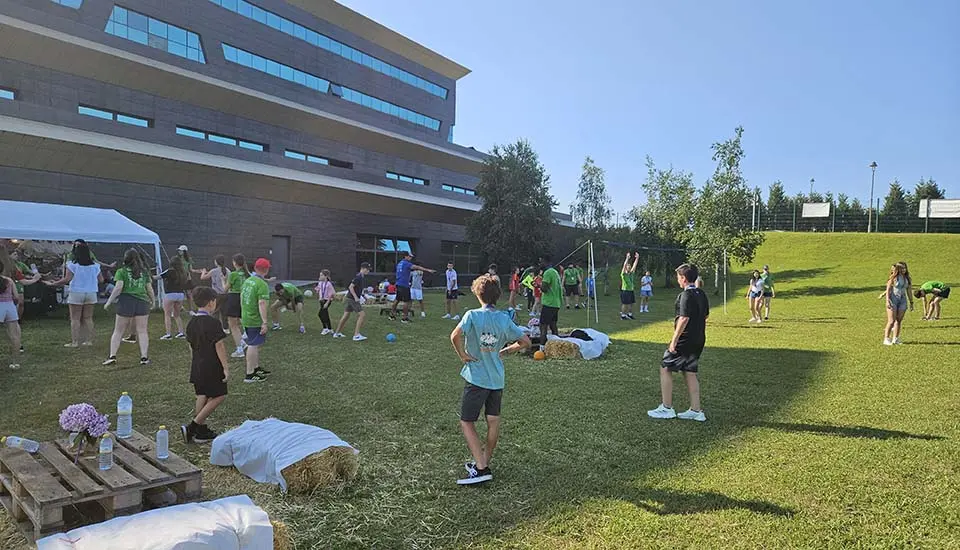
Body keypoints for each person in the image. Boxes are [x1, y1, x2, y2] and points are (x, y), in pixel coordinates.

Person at [450, 274, 531, 485]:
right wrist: (506, 350)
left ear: (478, 294)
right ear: (498, 296)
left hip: (477, 378)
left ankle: (481, 468)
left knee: (467, 421)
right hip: (497, 379)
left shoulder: (472, 315)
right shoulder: (504, 318)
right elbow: (525, 341)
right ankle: (484, 462)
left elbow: (454, 336)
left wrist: (462, 355)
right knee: (493, 420)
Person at [648, 264, 710, 422]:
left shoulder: (685, 296)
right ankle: (696, 410)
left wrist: (674, 341)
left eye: (678, 277)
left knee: (665, 367)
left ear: (683, 278)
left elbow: (684, 318)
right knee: (690, 371)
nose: (677, 280)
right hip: (699, 338)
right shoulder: (701, 294)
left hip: (685, 339)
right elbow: (705, 317)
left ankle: (666, 407)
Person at [182, 287, 229, 443]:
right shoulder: (213, 323)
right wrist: (225, 367)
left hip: (197, 365)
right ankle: (193, 427)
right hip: (212, 365)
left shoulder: (191, 323)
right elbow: (219, 345)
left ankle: (201, 430)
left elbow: (190, 346)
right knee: (219, 395)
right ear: (211, 302)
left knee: (202, 394)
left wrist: (194, 361)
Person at [43, 242, 103, 347]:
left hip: (76, 292)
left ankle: (75, 342)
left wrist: (53, 283)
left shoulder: (72, 265)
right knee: (88, 318)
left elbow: (67, 279)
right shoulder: (96, 266)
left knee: (75, 318)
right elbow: (101, 280)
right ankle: (88, 341)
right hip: (91, 292)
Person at [103, 249, 155, 366]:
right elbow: (149, 288)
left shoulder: (121, 271)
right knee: (142, 331)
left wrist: (109, 301)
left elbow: (118, 287)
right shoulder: (144, 272)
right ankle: (144, 358)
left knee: (118, 331)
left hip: (126, 301)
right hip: (142, 302)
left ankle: (112, 356)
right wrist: (153, 301)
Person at [240, 258, 272, 383]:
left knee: (255, 343)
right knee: (253, 344)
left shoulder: (248, 281)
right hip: (254, 319)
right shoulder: (262, 284)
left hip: (247, 316)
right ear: (265, 269)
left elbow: (242, 298)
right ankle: (249, 374)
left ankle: (256, 368)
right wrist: (264, 322)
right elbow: (262, 303)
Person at [390, 252, 435, 323]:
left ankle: (392, 315)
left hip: (398, 283)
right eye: (410, 257)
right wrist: (428, 270)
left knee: (397, 299)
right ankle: (404, 318)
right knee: (406, 301)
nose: (410, 258)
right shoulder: (406, 263)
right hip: (404, 285)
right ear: (406, 256)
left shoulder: (399, 264)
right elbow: (417, 267)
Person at [155, 257, 191, 340]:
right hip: (180, 295)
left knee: (167, 315)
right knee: (177, 315)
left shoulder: (169, 271)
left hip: (170, 295)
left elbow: (157, 277)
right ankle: (181, 333)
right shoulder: (184, 272)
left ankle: (168, 334)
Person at [334, 262, 370, 341]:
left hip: (350, 298)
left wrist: (363, 296)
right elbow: (350, 287)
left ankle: (337, 333)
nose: (368, 271)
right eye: (367, 269)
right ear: (363, 269)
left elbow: (357, 289)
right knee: (362, 315)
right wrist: (356, 297)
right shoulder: (358, 277)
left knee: (346, 315)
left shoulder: (361, 277)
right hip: (352, 299)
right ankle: (356, 335)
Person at [880, 262, 913, 345]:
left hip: (903, 300)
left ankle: (896, 338)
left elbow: (909, 290)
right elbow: (888, 290)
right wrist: (887, 300)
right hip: (893, 300)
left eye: (905, 268)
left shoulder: (907, 278)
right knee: (891, 321)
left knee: (898, 320)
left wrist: (911, 302)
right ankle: (886, 339)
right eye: (901, 268)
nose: (903, 270)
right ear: (898, 269)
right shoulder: (893, 278)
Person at [223, 254, 249, 358]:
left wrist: (222, 280)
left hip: (234, 298)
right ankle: (242, 342)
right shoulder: (248, 275)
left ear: (234, 262)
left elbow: (225, 289)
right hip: (244, 298)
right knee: (237, 322)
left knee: (233, 325)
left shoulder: (233, 274)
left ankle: (239, 350)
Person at [200, 255, 231, 329]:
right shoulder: (228, 270)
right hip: (226, 294)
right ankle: (226, 328)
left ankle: (215, 327)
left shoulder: (214, 271)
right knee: (224, 312)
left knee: (215, 311)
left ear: (216, 262)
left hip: (216, 294)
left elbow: (203, 277)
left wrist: (203, 272)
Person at [539, 256, 562, 348]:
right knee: (553, 325)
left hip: (549, 303)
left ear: (546, 262)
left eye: (541, 262)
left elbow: (544, 288)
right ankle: (557, 346)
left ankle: (542, 348)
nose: (540, 264)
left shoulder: (548, 273)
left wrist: (538, 284)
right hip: (556, 303)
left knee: (543, 325)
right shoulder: (555, 272)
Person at [0, 273, 22, 370]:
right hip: (9, 306)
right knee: (14, 336)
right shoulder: (9, 280)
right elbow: (16, 296)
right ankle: (15, 362)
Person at [176, 245, 201, 312]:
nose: (179, 251)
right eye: (179, 250)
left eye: (181, 250)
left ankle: (191, 309)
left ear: (184, 252)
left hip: (187, 278)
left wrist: (198, 271)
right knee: (179, 294)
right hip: (180, 278)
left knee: (189, 294)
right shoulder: (177, 259)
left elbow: (191, 269)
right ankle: (179, 308)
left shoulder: (188, 259)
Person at [315, 270, 336, 334]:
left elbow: (332, 293)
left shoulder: (329, 284)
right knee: (325, 314)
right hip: (321, 300)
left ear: (326, 276)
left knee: (320, 314)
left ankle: (325, 328)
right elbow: (318, 289)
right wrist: (317, 289)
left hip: (326, 300)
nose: (320, 276)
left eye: (321, 275)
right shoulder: (320, 283)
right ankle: (329, 329)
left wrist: (327, 303)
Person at [620, 252, 639, 320]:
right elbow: (624, 265)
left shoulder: (631, 274)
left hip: (631, 291)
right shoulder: (623, 275)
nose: (629, 268)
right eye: (628, 267)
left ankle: (629, 314)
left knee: (631, 303)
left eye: (629, 267)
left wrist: (637, 258)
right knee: (625, 304)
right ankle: (623, 315)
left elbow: (634, 266)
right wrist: (627, 258)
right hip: (625, 291)